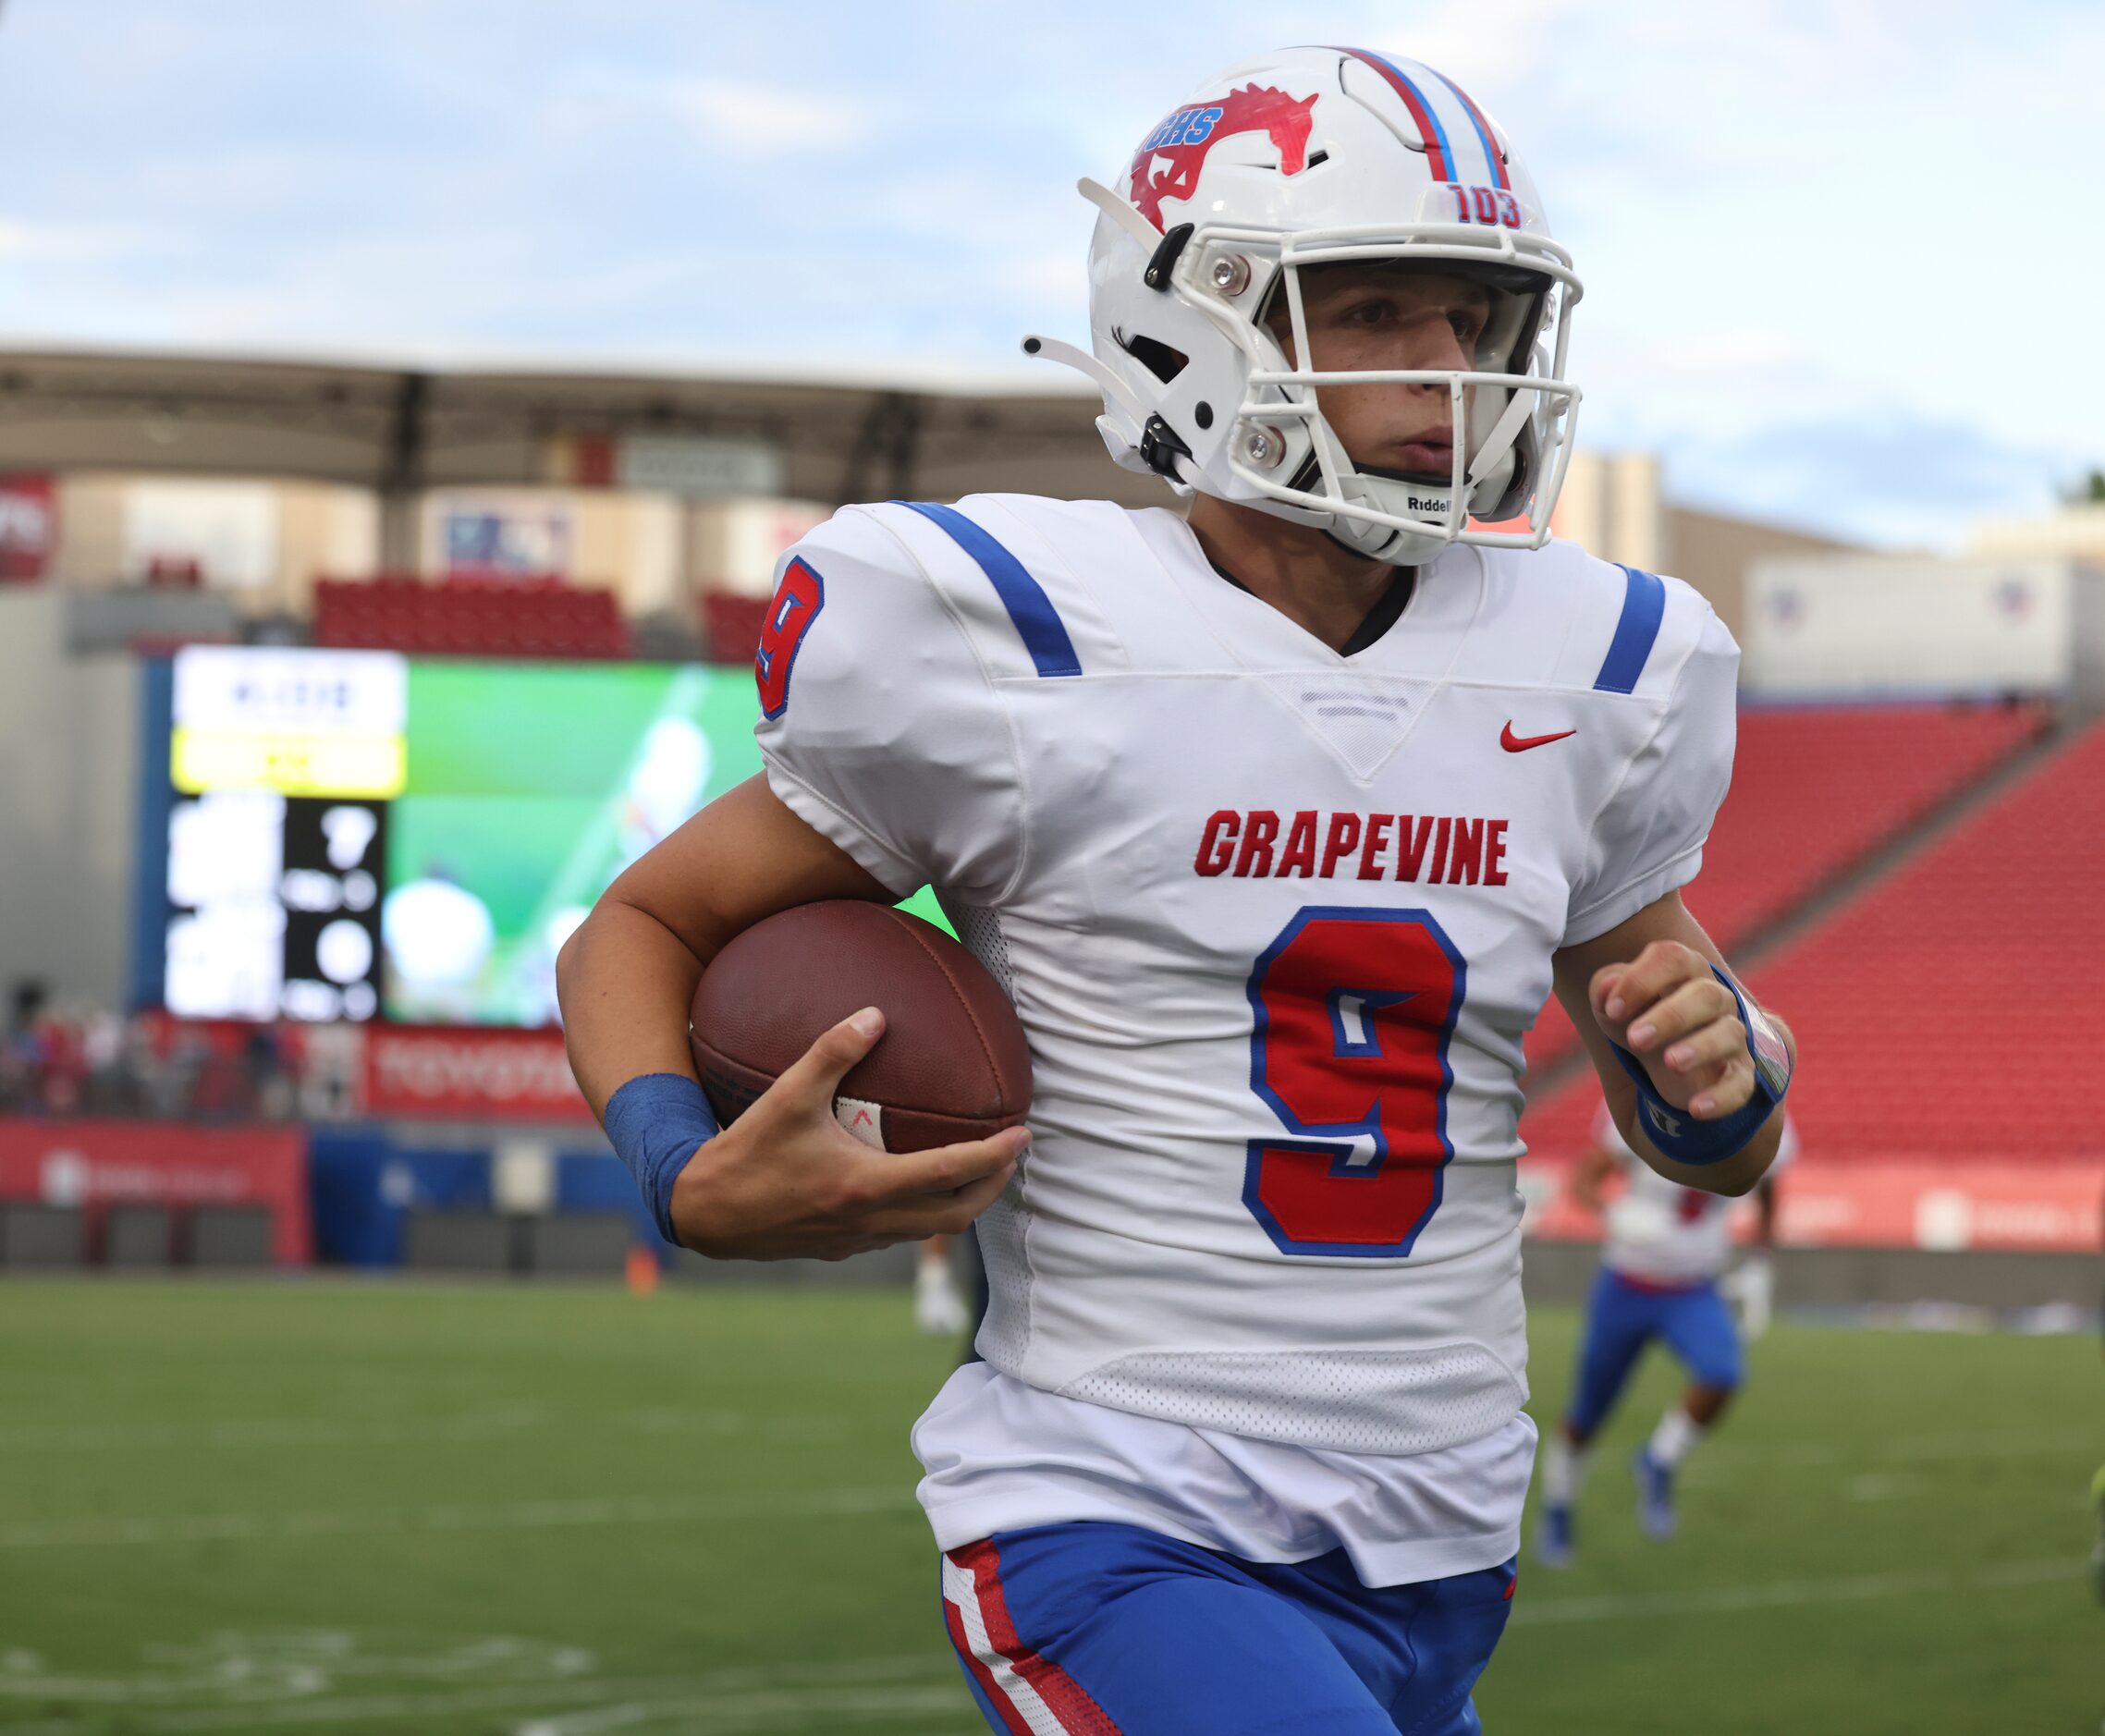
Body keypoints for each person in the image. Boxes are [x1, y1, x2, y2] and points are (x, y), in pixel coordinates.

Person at [557, 45, 1798, 1734]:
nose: (1447, 370)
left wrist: (1725, 1086)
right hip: (1119, 1501)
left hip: (1443, 1533)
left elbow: (1694, 1100)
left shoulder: (1601, 662)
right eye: (1372, 313)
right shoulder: (1016, 639)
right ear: (1194, 330)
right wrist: (677, 1169)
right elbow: (641, 924)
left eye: (1469, 320)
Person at [1536, 1102, 1795, 1566]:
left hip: (1694, 1287)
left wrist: (1762, 1260)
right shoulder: (1645, 1097)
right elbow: (1584, 1180)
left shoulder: (1759, 1108)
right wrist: (1612, 1213)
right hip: (1627, 1283)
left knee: (1722, 1373)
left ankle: (1658, 1459)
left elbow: (1770, 1191)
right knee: (1587, 1413)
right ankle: (1558, 1506)